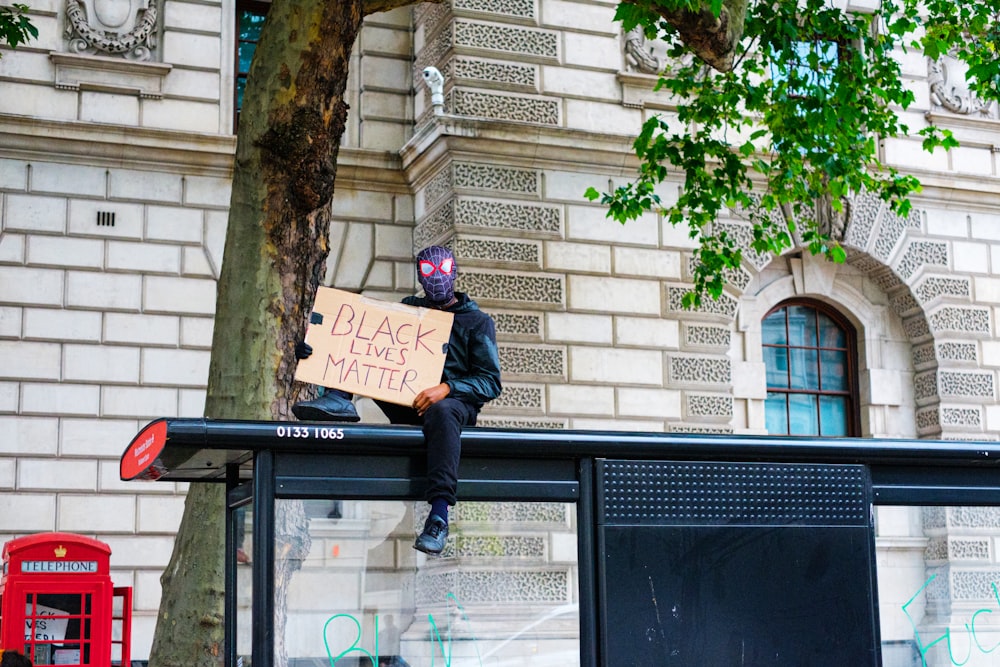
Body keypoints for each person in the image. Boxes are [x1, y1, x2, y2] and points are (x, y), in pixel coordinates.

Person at [292, 246, 502, 555]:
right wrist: (317, 349)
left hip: (452, 409)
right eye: (429, 271)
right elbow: (369, 346)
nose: (437, 277)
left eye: (442, 269)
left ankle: (439, 517)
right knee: (364, 341)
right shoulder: (409, 311)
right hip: (408, 399)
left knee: (443, 411)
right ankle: (337, 398)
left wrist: (447, 388)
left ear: (454, 271)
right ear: (419, 275)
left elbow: (490, 381)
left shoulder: (476, 322)